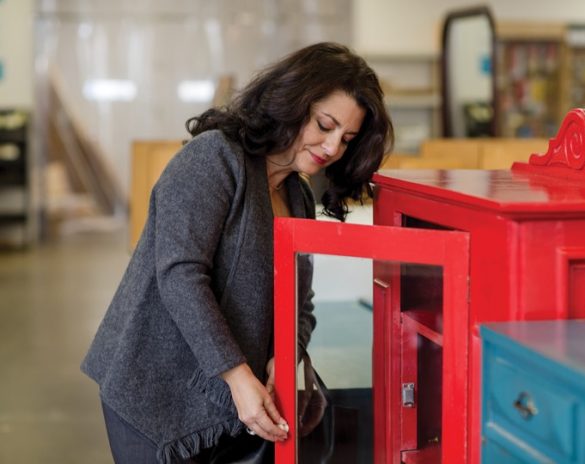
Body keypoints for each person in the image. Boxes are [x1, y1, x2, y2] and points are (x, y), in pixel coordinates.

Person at [80, 41, 393, 464]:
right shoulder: (214, 158)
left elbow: (301, 302)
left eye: (347, 137)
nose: (333, 146)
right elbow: (180, 275)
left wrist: (287, 355)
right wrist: (237, 374)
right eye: (324, 124)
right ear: (291, 103)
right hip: (155, 385)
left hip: (227, 398)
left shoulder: (297, 194)